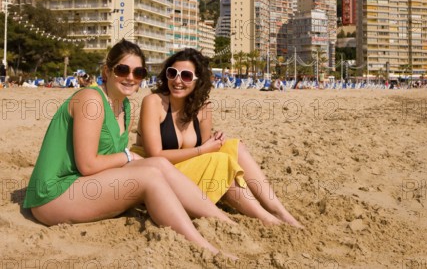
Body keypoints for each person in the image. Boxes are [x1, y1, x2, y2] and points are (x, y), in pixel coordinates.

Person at [23, 39, 236, 257]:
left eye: (138, 72)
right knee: (149, 177)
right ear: (107, 71)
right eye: (122, 70)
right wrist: (127, 156)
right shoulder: (91, 100)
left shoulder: (124, 106)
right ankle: (205, 247)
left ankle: (226, 223)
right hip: (52, 195)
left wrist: (131, 159)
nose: (130, 78)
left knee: (158, 164)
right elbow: (87, 165)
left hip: (81, 184)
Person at [135, 48, 302, 227]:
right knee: (220, 161)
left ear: (198, 81)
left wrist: (215, 142)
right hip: (157, 175)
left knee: (233, 146)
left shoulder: (203, 108)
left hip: (186, 173)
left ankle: (278, 210)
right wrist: (203, 149)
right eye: (172, 73)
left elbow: (206, 153)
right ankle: (265, 218)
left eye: (186, 76)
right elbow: (155, 154)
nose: (177, 80)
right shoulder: (154, 102)